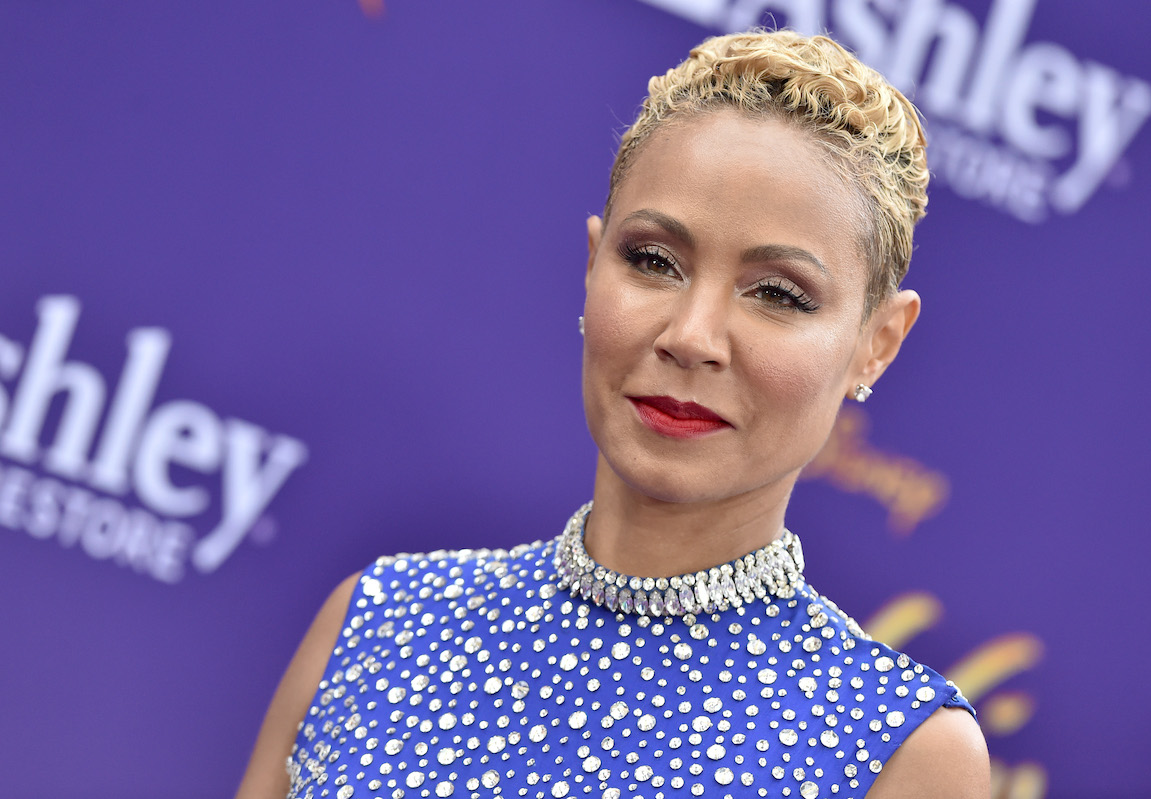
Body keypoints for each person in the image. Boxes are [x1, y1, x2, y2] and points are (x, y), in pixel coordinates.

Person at [237, 30, 989, 799]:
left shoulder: (902, 751)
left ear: (877, 343)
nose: (691, 336)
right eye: (654, 260)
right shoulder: (380, 620)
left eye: (778, 293)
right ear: (594, 264)